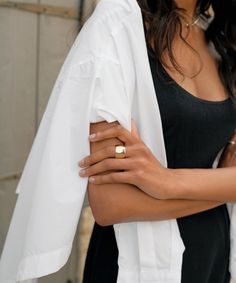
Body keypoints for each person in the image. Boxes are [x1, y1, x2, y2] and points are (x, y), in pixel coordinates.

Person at [78, 0, 236, 282]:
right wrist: (223, 185)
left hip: (213, 256)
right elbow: (110, 204)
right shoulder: (118, 25)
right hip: (136, 262)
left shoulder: (222, 37)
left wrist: (167, 182)